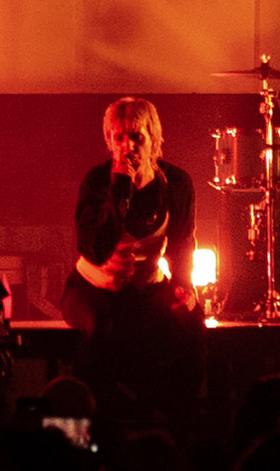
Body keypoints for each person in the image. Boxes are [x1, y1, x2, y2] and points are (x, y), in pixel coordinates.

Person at [63, 97, 204, 428]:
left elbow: (182, 242)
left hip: (143, 288)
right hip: (91, 287)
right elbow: (94, 249)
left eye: (136, 137)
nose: (127, 147)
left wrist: (184, 285)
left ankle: (176, 421)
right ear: (109, 141)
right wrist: (119, 193)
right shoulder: (97, 182)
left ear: (153, 139)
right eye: (119, 138)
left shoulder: (177, 183)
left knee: (191, 321)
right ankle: (97, 426)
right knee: (100, 327)